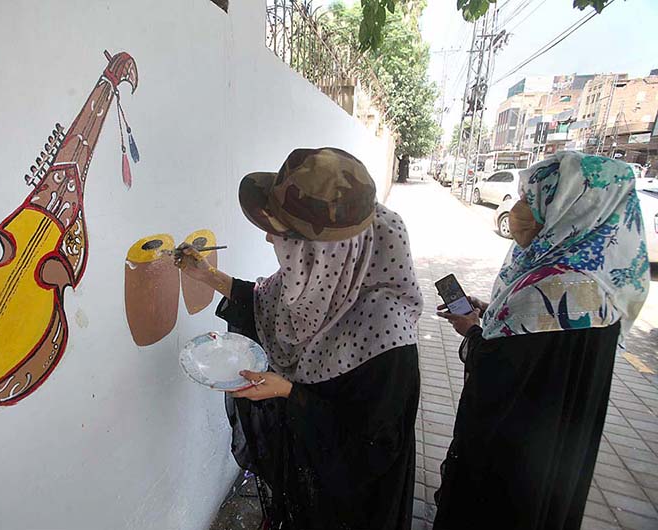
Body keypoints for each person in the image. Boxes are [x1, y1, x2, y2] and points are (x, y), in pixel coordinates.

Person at [176, 147, 423, 530]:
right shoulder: (326, 281)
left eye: (278, 234)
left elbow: (372, 449)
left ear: (321, 253)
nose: (267, 241)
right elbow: (264, 305)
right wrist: (209, 276)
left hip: (348, 508)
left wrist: (290, 393)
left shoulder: (387, 330)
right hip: (306, 476)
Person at [434, 151, 650, 530]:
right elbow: (541, 348)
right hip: (561, 443)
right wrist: (489, 310)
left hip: (516, 451)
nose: (518, 209)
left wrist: (469, 328)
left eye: (535, 199)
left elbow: (497, 369)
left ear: (573, 204)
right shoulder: (605, 282)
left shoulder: (552, 289)